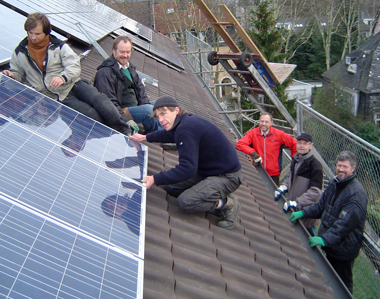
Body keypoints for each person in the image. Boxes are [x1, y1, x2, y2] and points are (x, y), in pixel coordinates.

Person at [1, 12, 131, 135]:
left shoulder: (58, 46)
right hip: (57, 97)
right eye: (30, 33)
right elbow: (18, 74)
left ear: (46, 32)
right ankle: (115, 135)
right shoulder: (20, 52)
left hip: (74, 84)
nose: (33, 37)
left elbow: (74, 64)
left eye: (37, 34)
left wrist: (63, 77)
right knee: (91, 114)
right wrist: (12, 75)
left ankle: (125, 130)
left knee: (100, 100)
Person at [130, 95, 244, 229]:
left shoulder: (186, 129)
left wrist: (155, 178)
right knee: (171, 187)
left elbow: (187, 169)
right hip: (208, 172)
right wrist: (145, 137)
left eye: (163, 114)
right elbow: (169, 135)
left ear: (176, 110)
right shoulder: (183, 122)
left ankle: (227, 204)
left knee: (186, 201)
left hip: (228, 176)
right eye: (157, 117)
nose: (160, 120)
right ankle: (211, 190)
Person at [290, 151, 368, 294]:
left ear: (353, 168)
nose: (341, 169)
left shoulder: (357, 194)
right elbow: (320, 207)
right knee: (329, 280)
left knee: (343, 285)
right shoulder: (334, 183)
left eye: (345, 166)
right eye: (339, 165)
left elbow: (345, 224)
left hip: (343, 249)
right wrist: (303, 212)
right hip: (331, 245)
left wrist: (324, 239)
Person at [94, 35, 161, 134]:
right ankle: (158, 134)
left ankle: (168, 130)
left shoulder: (129, 68)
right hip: (120, 111)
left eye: (128, 52)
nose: (125, 55)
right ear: (114, 51)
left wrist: (144, 105)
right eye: (122, 52)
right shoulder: (105, 73)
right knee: (149, 111)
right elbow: (109, 103)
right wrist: (126, 119)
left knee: (162, 104)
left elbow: (140, 91)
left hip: (133, 106)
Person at [274, 133, 323, 236]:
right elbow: (291, 178)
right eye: (299, 143)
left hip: (306, 214)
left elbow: (316, 192)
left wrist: (297, 203)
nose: (301, 146)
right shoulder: (295, 160)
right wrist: (284, 186)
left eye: (305, 144)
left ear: (310, 146)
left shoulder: (315, 166)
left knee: (307, 243)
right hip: (293, 208)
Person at [236, 112, 297, 186]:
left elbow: (294, 143)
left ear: (271, 123)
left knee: (273, 194)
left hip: (273, 173)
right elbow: (240, 144)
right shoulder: (253, 133)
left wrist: (294, 159)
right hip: (258, 170)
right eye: (262, 121)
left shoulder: (278, 134)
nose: (263, 124)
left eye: (266, 122)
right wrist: (254, 154)